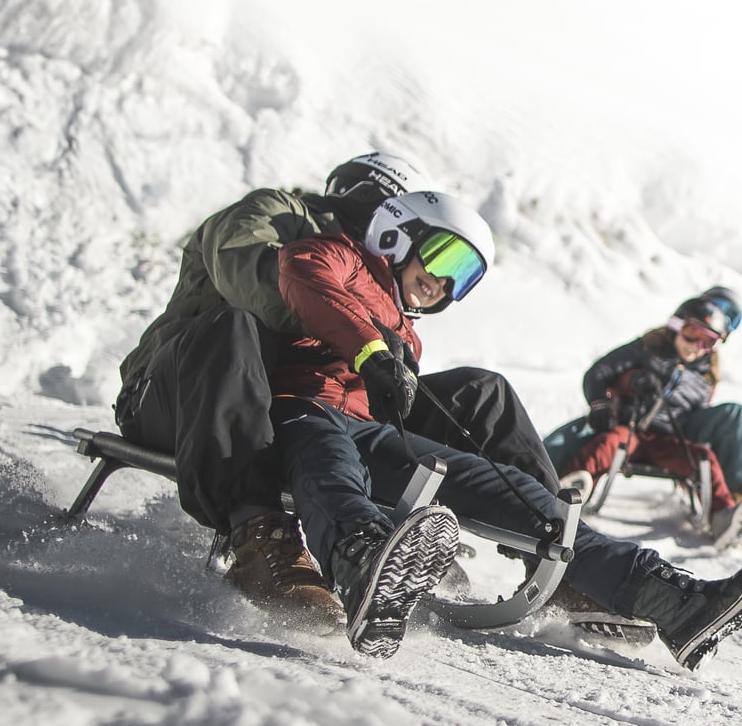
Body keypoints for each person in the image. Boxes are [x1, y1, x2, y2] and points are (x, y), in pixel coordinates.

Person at [271, 190, 742, 664]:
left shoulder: (407, 332)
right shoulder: (342, 255)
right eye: (445, 260)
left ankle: (673, 602)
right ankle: (364, 565)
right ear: (397, 233)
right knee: (328, 461)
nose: (443, 284)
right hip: (300, 409)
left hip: (371, 431)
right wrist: (370, 350)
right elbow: (301, 271)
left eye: (460, 278)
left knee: (527, 498)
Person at [113, 153, 572, 627]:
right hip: (183, 392)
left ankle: (555, 555)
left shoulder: (371, 270)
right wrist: (365, 335)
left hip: (289, 408)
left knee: (481, 393)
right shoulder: (277, 213)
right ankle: (258, 538)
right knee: (233, 326)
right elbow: (254, 279)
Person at [550, 288, 742, 550]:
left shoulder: (703, 377)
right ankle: (575, 486)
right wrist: (603, 402)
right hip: (629, 428)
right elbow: (599, 372)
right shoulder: (648, 349)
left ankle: (723, 517)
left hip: (666, 440)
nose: (696, 346)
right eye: (692, 334)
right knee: (608, 444)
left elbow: (696, 416)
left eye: (706, 342)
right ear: (677, 326)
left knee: (702, 458)